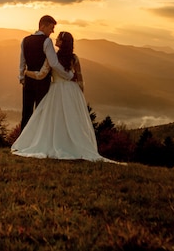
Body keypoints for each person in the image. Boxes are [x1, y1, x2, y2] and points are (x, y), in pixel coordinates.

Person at [12, 31, 117, 163]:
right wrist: (80, 95)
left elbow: (41, 75)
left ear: (62, 42)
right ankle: (71, 144)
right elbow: (79, 78)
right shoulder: (74, 58)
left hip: (55, 90)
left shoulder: (52, 59)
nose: (55, 39)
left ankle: (57, 142)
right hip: (72, 92)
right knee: (72, 119)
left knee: (55, 119)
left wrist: (26, 72)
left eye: (58, 39)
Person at [18, 15, 74, 130]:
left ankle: (21, 143)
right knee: (40, 113)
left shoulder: (25, 40)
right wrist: (68, 75)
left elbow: (22, 62)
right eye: (51, 28)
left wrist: (21, 78)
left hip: (28, 81)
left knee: (26, 113)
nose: (52, 31)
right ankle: (36, 142)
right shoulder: (47, 41)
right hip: (42, 83)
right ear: (43, 26)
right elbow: (54, 63)